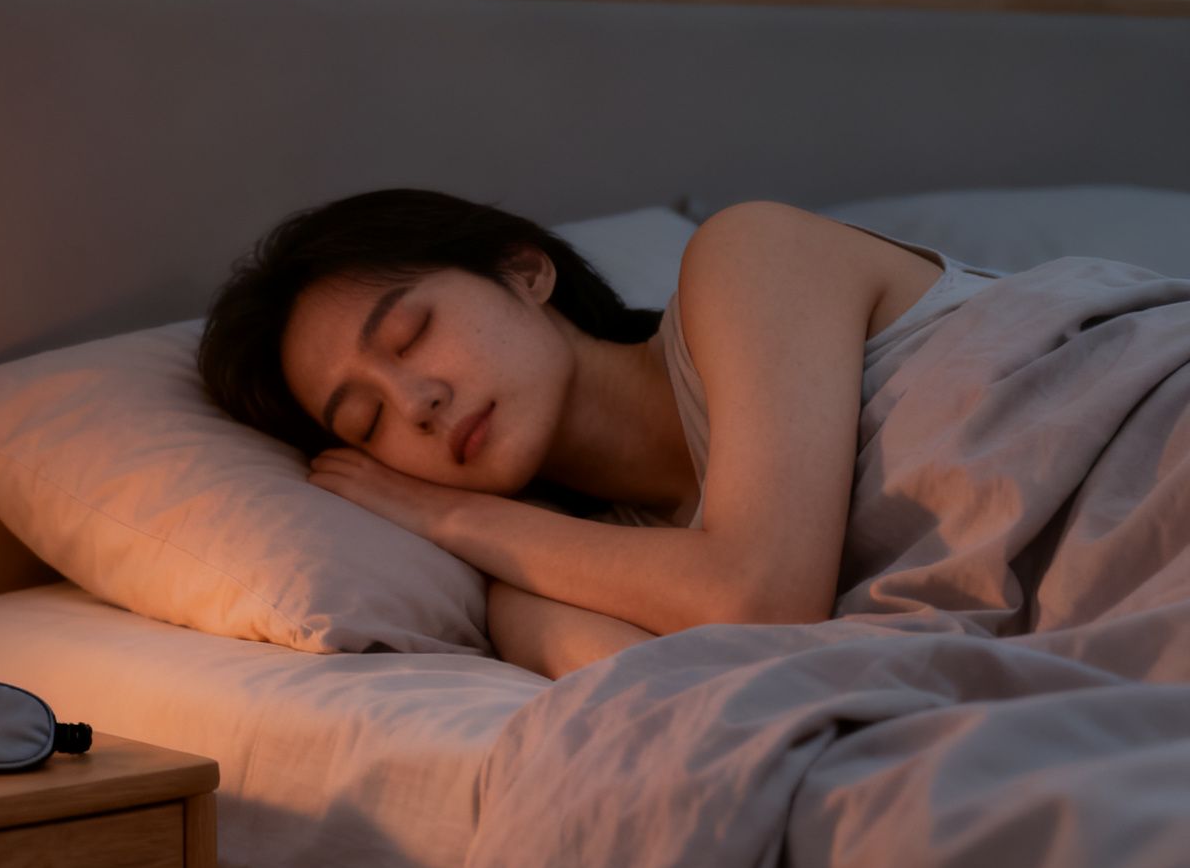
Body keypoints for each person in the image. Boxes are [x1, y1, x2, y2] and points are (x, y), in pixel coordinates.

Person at [198, 188, 980, 679]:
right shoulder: (535, 583)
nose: (416, 403)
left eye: (412, 334)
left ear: (525, 271)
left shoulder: (751, 253)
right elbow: (704, 724)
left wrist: (450, 514)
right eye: (366, 422)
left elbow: (762, 599)